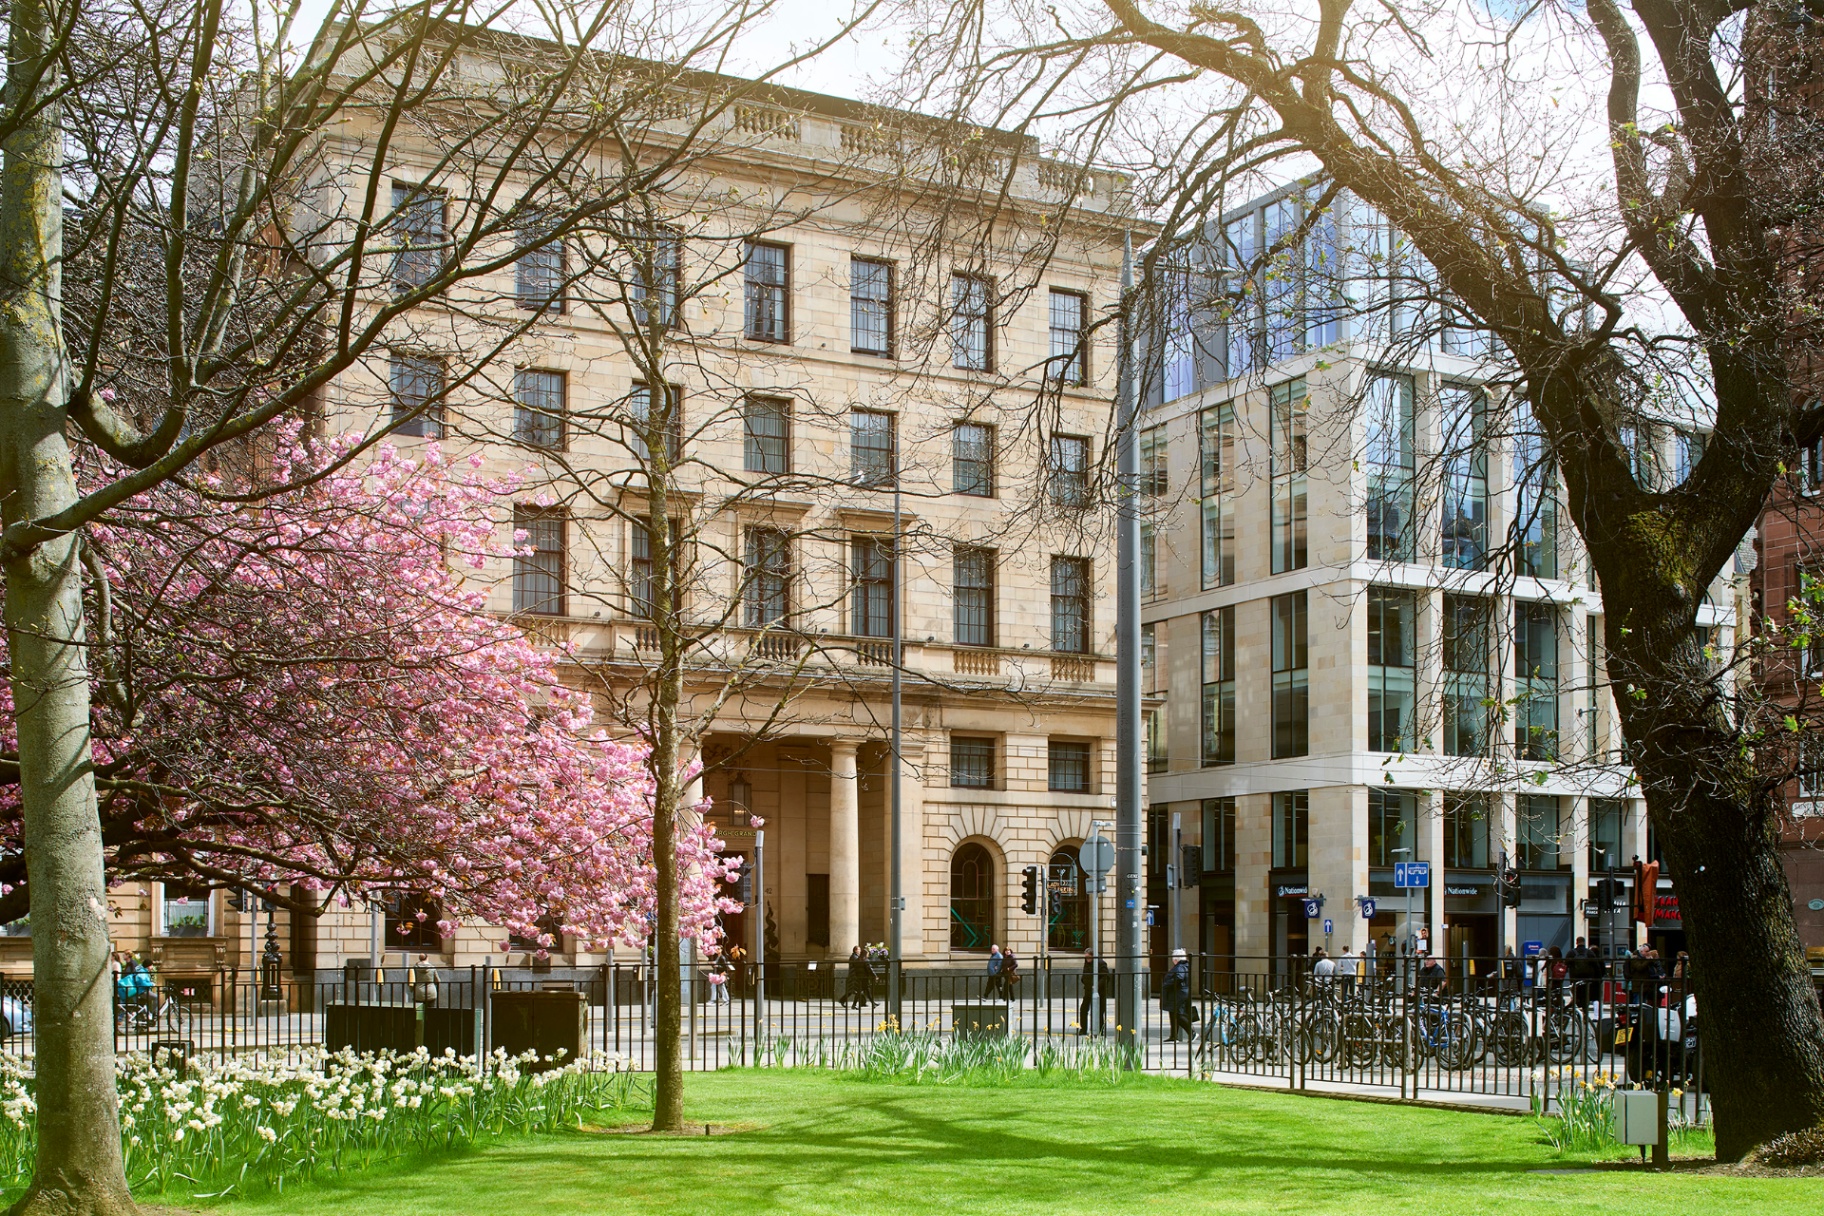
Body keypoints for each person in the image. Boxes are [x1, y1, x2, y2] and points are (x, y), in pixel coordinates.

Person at [1161, 948, 1195, 1041]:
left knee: (1177, 1014)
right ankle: (1173, 1036)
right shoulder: (1183, 965)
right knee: (1173, 1013)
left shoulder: (1180, 967)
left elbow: (1179, 977)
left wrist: (1167, 984)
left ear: (1175, 959)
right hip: (1179, 992)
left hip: (1179, 993)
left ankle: (1192, 1032)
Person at [1078, 948, 1113, 1035]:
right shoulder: (1087, 962)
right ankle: (1083, 1029)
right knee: (1083, 1009)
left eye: (1089, 957)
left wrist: (1097, 986)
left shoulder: (1100, 963)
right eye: (1086, 957)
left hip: (1099, 992)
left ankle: (1100, 1030)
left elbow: (1105, 977)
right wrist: (1083, 980)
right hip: (1088, 990)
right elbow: (1085, 973)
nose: (1087, 959)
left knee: (1100, 1011)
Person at [1567, 937, 1602, 1007]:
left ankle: (1573, 1012)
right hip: (1587, 980)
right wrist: (1598, 979)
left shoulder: (1571, 953)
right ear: (1584, 942)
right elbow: (1597, 967)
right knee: (1585, 998)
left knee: (1575, 997)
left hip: (1575, 980)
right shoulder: (1590, 953)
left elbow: (1565, 965)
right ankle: (1585, 1013)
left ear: (1576, 942)